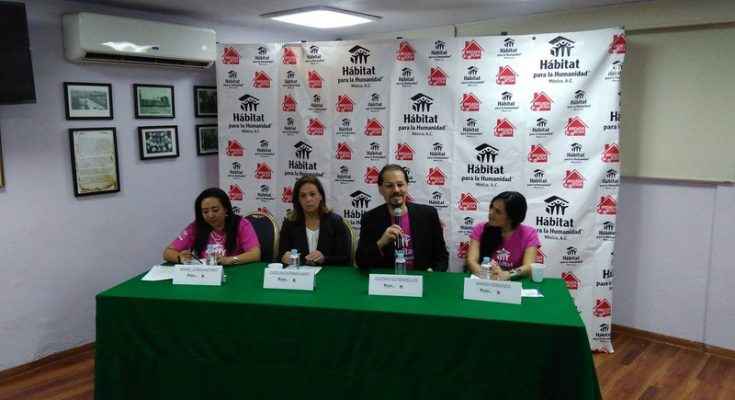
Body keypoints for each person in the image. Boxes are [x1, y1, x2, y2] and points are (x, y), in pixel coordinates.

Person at [356, 164, 448, 271]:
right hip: (387, 279)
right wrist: (381, 243)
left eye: (400, 185)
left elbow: (442, 257)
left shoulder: (428, 214)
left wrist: (432, 273)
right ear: (380, 189)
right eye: (389, 186)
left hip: (422, 278)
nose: (396, 190)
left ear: (407, 186)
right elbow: (361, 261)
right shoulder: (370, 218)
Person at [163, 187, 261, 265]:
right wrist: (180, 258)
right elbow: (167, 252)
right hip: (206, 275)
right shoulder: (195, 227)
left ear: (225, 209)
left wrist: (229, 260)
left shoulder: (241, 224)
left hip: (235, 273)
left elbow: (255, 254)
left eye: (215, 210)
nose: (210, 215)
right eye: (205, 212)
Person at [278, 175, 351, 266]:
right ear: (298, 200)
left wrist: (324, 259)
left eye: (312, 194)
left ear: (321, 196)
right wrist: (284, 257)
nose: (308, 199)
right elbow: (281, 255)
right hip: (299, 272)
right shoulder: (289, 223)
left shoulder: (335, 222)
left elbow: (344, 258)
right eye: (303, 196)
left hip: (327, 272)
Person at [465, 191, 540, 280]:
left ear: (512, 217)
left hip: (514, 283)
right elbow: (471, 261)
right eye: (491, 207)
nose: (491, 213)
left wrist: (508, 274)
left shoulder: (529, 233)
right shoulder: (480, 228)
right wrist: (486, 275)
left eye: (498, 211)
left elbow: (529, 266)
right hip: (484, 280)